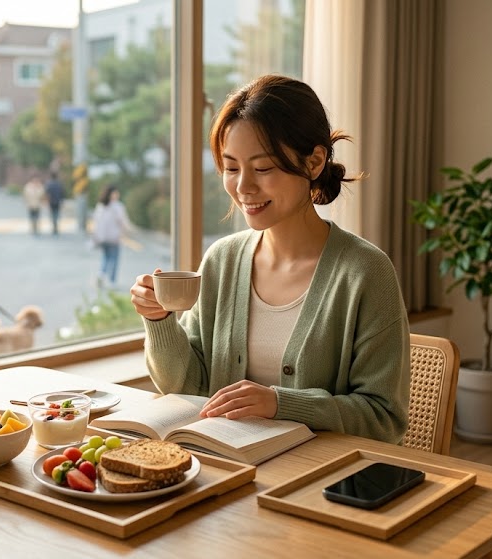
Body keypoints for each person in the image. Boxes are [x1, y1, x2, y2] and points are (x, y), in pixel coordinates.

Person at [128, 74, 410, 441]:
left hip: (316, 483)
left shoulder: (365, 272)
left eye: (263, 168)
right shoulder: (221, 261)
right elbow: (189, 388)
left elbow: (383, 418)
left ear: (314, 163)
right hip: (229, 473)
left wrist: (280, 403)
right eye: (231, 168)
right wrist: (160, 320)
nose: (243, 187)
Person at [92, 185, 131, 288]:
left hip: (102, 237)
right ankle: (112, 281)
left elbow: (96, 221)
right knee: (114, 259)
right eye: (116, 192)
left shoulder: (100, 206)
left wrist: (96, 235)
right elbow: (122, 221)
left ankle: (101, 273)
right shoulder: (117, 206)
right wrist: (128, 231)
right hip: (114, 237)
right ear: (112, 194)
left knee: (105, 257)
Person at [44, 171, 65, 235]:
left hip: (51, 201)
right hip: (58, 201)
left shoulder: (49, 184)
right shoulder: (59, 184)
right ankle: (56, 225)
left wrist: (47, 201)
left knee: (52, 214)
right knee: (57, 213)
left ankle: (54, 225)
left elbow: (47, 194)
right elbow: (62, 193)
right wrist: (62, 201)